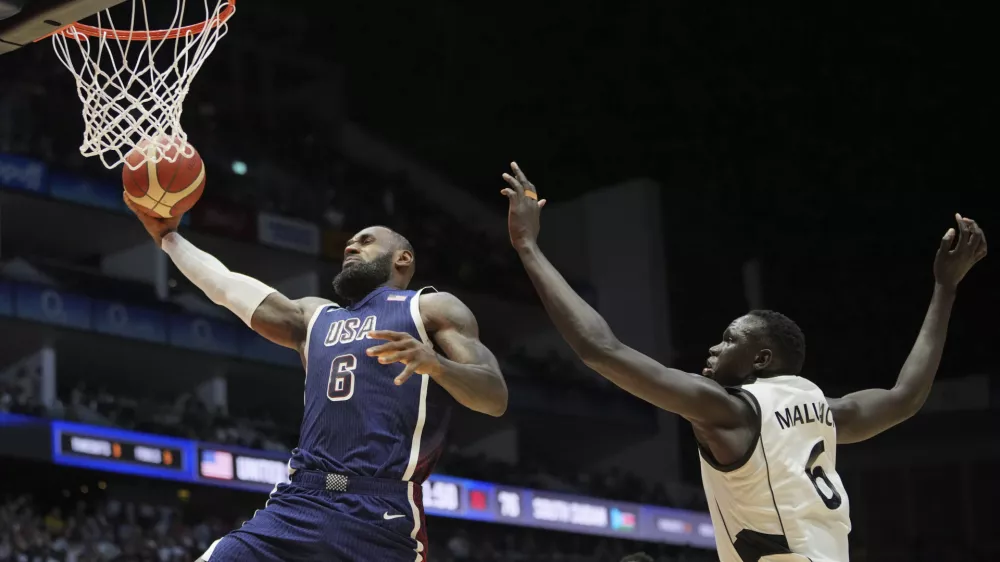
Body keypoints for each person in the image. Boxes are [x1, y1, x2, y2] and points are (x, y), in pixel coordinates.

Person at [499, 163, 987, 562]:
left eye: (729, 339)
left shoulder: (731, 410)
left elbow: (600, 350)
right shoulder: (823, 412)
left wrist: (529, 247)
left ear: (762, 358)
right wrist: (945, 289)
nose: (713, 349)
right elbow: (905, 397)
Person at [123, 195, 508, 562]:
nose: (351, 247)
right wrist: (169, 239)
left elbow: (494, 397)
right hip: (299, 502)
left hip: (378, 512)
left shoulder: (431, 308)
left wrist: (438, 365)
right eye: (349, 243)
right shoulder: (315, 317)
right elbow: (227, 287)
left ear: (403, 259)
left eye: (366, 241)